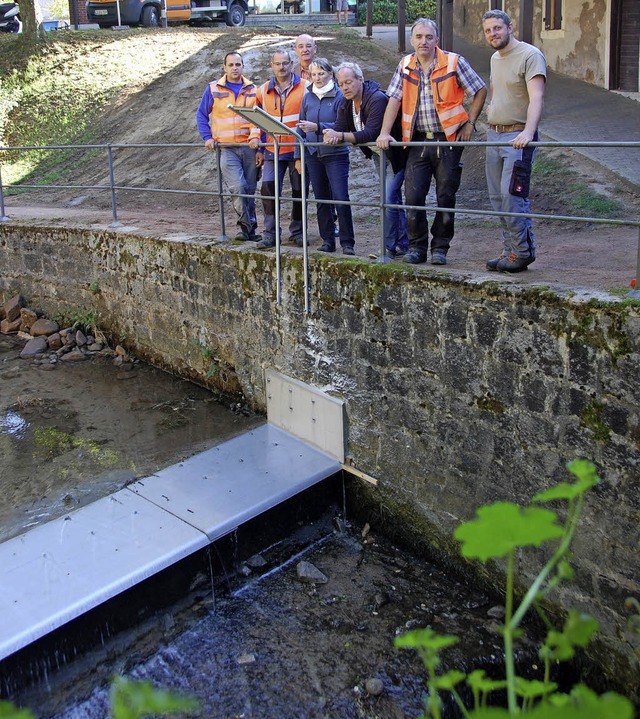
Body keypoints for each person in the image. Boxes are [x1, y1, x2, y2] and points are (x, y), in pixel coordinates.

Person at [376, 18, 486, 265]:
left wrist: (471, 122)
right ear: (412, 39)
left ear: (437, 39)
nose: (423, 41)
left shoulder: (454, 62)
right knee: (414, 196)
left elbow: (480, 89)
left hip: (448, 141)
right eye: (419, 37)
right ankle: (417, 248)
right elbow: (393, 99)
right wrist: (384, 132)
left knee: (446, 196)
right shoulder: (405, 65)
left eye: (428, 37)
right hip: (416, 142)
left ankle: (440, 248)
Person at [482, 9, 547, 273]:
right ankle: (509, 249)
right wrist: (492, 108)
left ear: (510, 27)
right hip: (494, 135)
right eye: (488, 30)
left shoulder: (530, 55)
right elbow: (497, 89)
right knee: (497, 197)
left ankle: (523, 251)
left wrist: (528, 133)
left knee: (513, 196)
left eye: (497, 28)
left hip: (517, 137)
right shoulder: (495, 58)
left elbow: (537, 97)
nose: (493, 34)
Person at [324, 61, 408, 259]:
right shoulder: (346, 102)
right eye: (341, 83)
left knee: (388, 199)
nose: (344, 87)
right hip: (379, 155)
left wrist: (341, 136)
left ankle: (388, 248)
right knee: (392, 199)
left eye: (349, 82)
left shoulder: (376, 98)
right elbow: (339, 126)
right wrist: (331, 134)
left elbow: (370, 133)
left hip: (396, 155)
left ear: (360, 80)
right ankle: (404, 243)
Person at [196, 52, 261, 242]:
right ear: (225, 67)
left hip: (249, 147)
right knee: (238, 187)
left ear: (243, 66)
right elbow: (201, 114)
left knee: (249, 189)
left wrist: (257, 141)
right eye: (231, 64)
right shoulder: (213, 88)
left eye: (238, 64)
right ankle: (245, 227)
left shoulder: (253, 90)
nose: (235, 68)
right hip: (227, 148)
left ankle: (251, 230)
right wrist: (207, 137)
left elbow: (259, 119)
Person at [295, 58, 355, 255]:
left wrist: (319, 127)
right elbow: (300, 128)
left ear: (330, 74)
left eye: (321, 73)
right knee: (321, 199)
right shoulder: (307, 96)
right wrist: (298, 156)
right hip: (313, 154)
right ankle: (327, 240)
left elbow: (343, 124)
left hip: (336, 154)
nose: (317, 78)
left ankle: (347, 243)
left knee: (340, 197)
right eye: (313, 75)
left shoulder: (340, 95)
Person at [249, 50, 306, 249]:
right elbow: (255, 117)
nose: (281, 67)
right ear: (271, 65)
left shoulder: (305, 87)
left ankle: (297, 232)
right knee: (268, 190)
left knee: (299, 191)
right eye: (277, 64)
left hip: (296, 148)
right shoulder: (263, 90)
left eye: (285, 63)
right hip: (272, 150)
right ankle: (270, 233)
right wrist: (255, 137)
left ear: (292, 64)